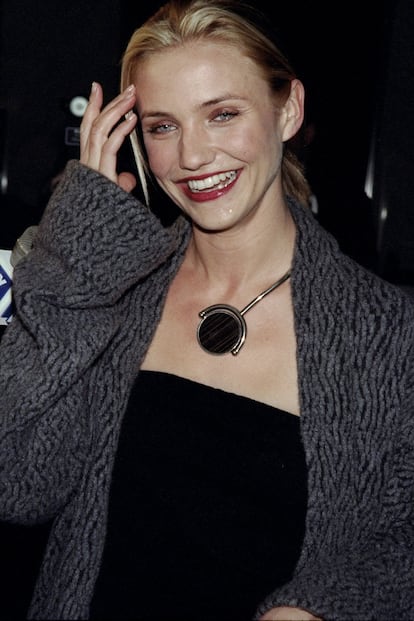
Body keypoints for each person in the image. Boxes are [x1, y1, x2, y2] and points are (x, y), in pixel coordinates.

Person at [0, 1, 413, 619]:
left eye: (222, 114)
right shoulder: (115, 290)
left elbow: (398, 537)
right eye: (163, 126)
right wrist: (75, 261)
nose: (192, 156)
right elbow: (18, 483)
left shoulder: (387, 332)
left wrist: (319, 606)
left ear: (288, 110)